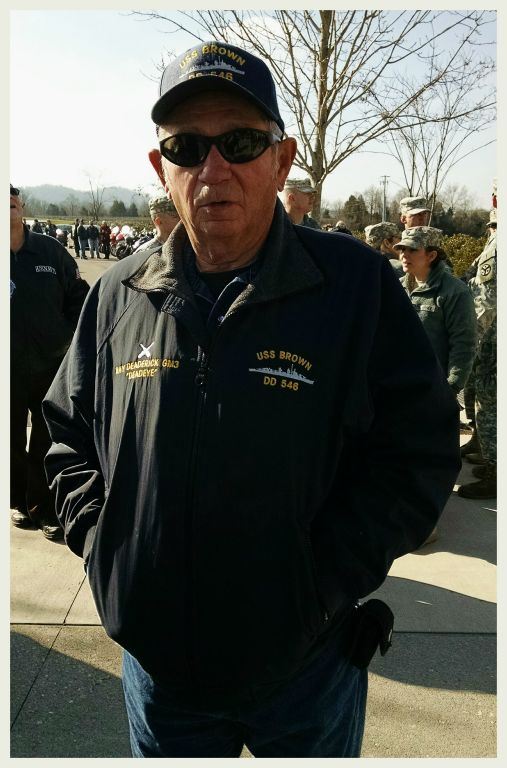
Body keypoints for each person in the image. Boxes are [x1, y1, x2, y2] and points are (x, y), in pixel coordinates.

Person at [43, 41, 460, 758]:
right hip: (159, 676)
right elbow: (66, 435)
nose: (214, 169)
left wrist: (321, 586)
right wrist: (109, 555)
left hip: (306, 672)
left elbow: (417, 451)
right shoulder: (117, 295)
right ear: (161, 167)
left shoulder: (355, 287)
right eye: (187, 147)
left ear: (281, 159)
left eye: (239, 142)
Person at [10, 184, 90, 540]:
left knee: (46, 439)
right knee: (10, 439)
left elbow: (79, 298)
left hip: (50, 368)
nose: (8, 210)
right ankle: (18, 501)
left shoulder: (50, 251)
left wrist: (67, 338)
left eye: (12, 204)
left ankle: (44, 508)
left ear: (22, 208)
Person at [395, 226, 477, 396]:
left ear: (431, 256)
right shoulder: (397, 287)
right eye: (402, 249)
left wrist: (452, 386)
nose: (404, 255)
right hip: (399, 384)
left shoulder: (454, 291)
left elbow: (463, 343)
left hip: (433, 389)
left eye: (412, 249)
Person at [457, 209, 497, 498]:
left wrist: (471, 340)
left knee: (490, 398)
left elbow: (487, 299)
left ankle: (496, 473)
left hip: (493, 335)